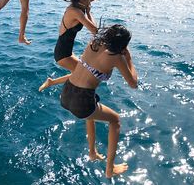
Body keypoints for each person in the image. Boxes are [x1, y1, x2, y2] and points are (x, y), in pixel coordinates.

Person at [40, 24, 138, 178]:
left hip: (66, 93)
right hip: (81, 101)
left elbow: (80, 72)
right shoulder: (117, 57)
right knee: (115, 120)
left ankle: (92, 152)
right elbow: (133, 84)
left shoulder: (94, 44)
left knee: (91, 113)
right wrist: (129, 58)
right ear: (123, 45)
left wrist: (53, 82)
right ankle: (109, 169)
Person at [53, 0, 129, 71]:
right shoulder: (75, 12)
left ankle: (52, 81)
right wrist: (89, 13)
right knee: (87, 74)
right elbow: (95, 31)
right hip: (62, 54)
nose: (90, 1)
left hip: (67, 52)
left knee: (82, 76)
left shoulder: (79, 4)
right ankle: (52, 82)